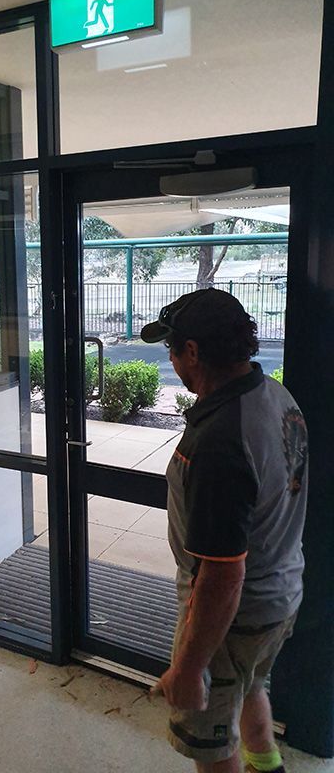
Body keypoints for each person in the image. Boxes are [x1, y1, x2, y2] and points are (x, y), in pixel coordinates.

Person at [141, 288, 308, 773]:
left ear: (192, 352)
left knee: (211, 743)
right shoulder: (274, 395)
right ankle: (266, 762)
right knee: (251, 682)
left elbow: (221, 577)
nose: (172, 361)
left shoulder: (219, 440)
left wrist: (190, 668)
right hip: (280, 598)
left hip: (232, 619)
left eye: (172, 349)